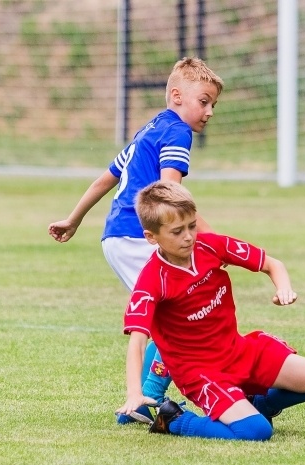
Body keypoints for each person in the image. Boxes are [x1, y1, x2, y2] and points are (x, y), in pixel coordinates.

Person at [48, 58, 224, 422]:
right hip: (139, 235)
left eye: (213, 105)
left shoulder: (150, 129)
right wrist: (212, 239)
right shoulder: (177, 132)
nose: (209, 112)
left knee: (173, 312)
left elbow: (105, 179)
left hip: (117, 236)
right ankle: (147, 397)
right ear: (177, 96)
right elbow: (170, 192)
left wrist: (73, 219)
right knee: (184, 314)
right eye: (204, 101)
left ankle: (140, 403)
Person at [116, 181, 305, 441]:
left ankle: (260, 405)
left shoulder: (210, 246)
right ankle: (175, 420)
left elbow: (272, 264)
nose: (188, 236)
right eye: (177, 231)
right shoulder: (152, 280)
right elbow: (138, 342)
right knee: (256, 431)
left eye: (192, 226)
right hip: (201, 373)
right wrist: (134, 392)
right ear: (151, 237)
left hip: (239, 351)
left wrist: (284, 288)